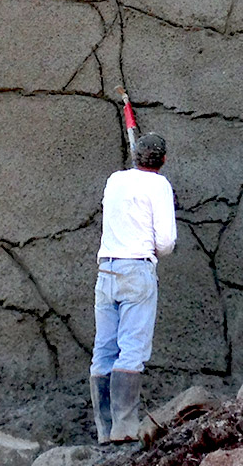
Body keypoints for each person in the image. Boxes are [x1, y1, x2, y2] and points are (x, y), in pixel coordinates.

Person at [90, 133, 176, 444]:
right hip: (137, 269)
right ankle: (124, 429)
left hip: (107, 270)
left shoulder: (115, 180)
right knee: (132, 350)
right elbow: (165, 242)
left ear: (135, 156)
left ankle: (105, 430)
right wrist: (152, 247)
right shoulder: (160, 185)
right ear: (163, 161)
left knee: (104, 349)